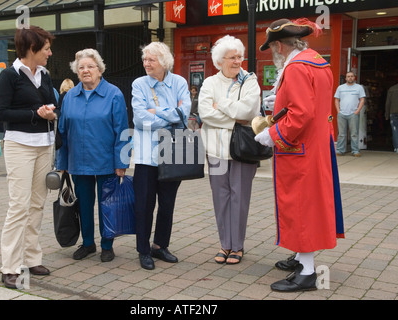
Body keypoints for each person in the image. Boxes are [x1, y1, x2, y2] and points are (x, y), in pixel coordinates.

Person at [255, 18, 344, 292]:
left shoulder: (295, 68)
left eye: (272, 48)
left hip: (299, 149)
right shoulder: (318, 63)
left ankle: (306, 272)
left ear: (279, 45)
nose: (273, 54)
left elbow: (300, 114)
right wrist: (278, 102)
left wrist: (272, 135)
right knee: (310, 206)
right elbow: (314, 106)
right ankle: (302, 262)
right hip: (316, 146)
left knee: (300, 208)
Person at [0, 26, 58, 289]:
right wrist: (36, 114)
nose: (50, 53)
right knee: (19, 206)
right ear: (32, 49)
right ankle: (9, 266)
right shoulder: (9, 76)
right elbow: (1, 113)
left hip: (44, 145)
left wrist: (52, 112)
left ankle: (32, 258)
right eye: (46, 49)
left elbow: (53, 104)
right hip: (19, 145)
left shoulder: (44, 74)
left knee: (37, 205)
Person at [57, 49, 129, 262]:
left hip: (106, 161)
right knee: (84, 206)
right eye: (81, 68)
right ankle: (88, 243)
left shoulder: (114, 93)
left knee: (107, 205)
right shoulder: (70, 96)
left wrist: (121, 162)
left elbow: (122, 131)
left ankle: (107, 244)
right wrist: (62, 162)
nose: (85, 70)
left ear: (99, 69)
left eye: (90, 66)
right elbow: (62, 131)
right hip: (78, 162)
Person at [198, 35, 260, 265]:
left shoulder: (249, 80)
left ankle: (238, 246)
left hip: (242, 150)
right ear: (219, 60)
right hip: (215, 150)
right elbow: (205, 113)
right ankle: (225, 244)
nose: (237, 61)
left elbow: (248, 111)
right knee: (220, 197)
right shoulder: (210, 83)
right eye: (232, 57)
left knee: (240, 197)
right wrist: (233, 117)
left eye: (239, 57)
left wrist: (221, 106)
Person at [131, 42, 191, 270]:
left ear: (164, 62)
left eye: (151, 60)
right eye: (145, 59)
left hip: (173, 153)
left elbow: (184, 113)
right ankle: (143, 250)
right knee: (144, 205)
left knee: (167, 204)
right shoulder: (139, 84)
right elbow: (139, 119)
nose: (146, 64)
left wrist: (156, 112)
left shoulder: (179, 82)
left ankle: (160, 246)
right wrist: (170, 116)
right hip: (147, 156)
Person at [334, 71, 366, 157]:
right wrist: (338, 111)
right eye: (348, 76)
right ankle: (340, 150)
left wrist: (357, 111)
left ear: (354, 77)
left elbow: (362, 100)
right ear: (346, 78)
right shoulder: (340, 88)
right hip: (342, 114)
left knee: (354, 133)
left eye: (352, 76)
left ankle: (355, 151)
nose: (350, 78)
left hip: (353, 114)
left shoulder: (359, 88)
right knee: (341, 134)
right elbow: (336, 99)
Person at [385, 82, 398, 153]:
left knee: (395, 130)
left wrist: (387, 114)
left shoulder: (392, 89)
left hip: (393, 112)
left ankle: (396, 148)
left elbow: (388, 103)